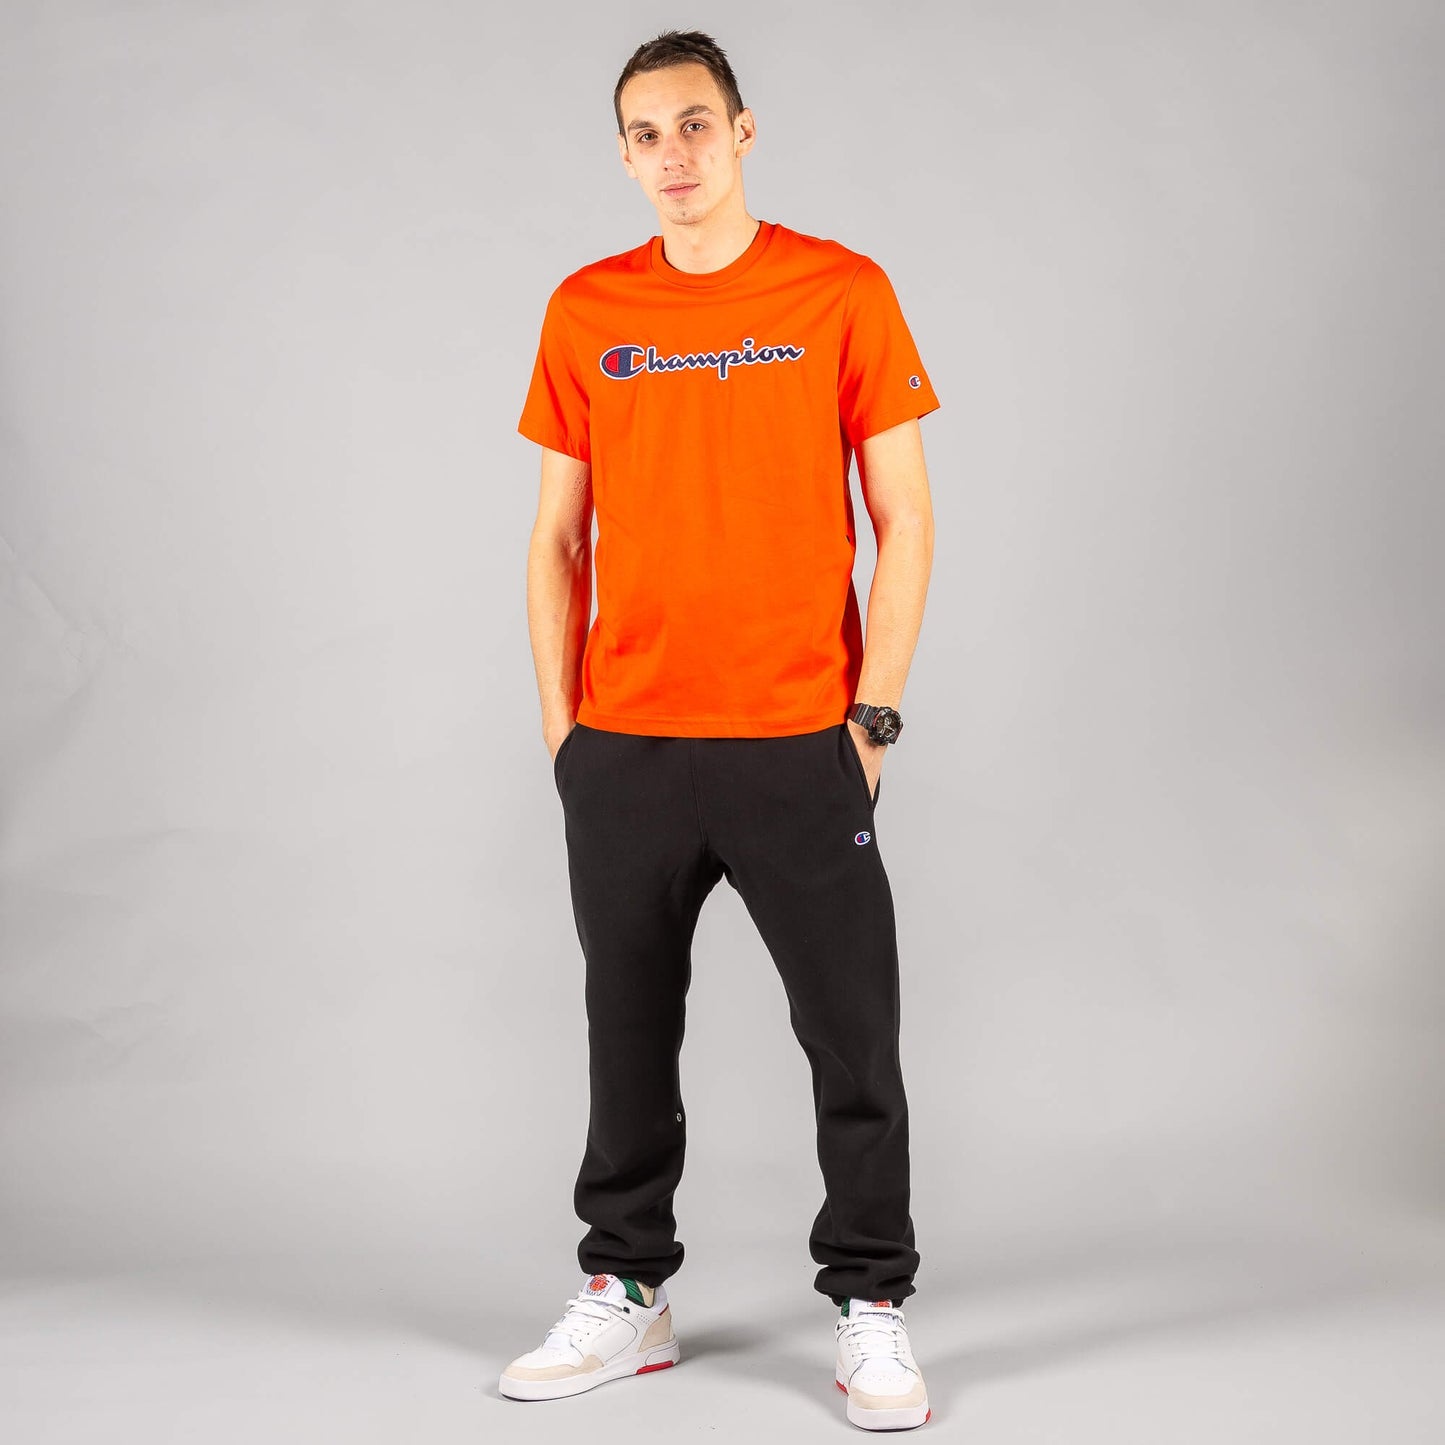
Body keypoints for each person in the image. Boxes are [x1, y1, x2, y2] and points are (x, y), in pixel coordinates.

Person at [500, 29, 940, 1432]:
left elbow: (906, 516)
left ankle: (870, 1306)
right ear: (623, 156)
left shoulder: (839, 290)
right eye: (645, 134)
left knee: (852, 1034)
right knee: (625, 1031)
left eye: (695, 124)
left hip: (797, 737)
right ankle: (626, 1287)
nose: (672, 154)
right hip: (626, 746)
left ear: (744, 132)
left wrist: (871, 717)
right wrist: (566, 735)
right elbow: (555, 539)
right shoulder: (587, 309)